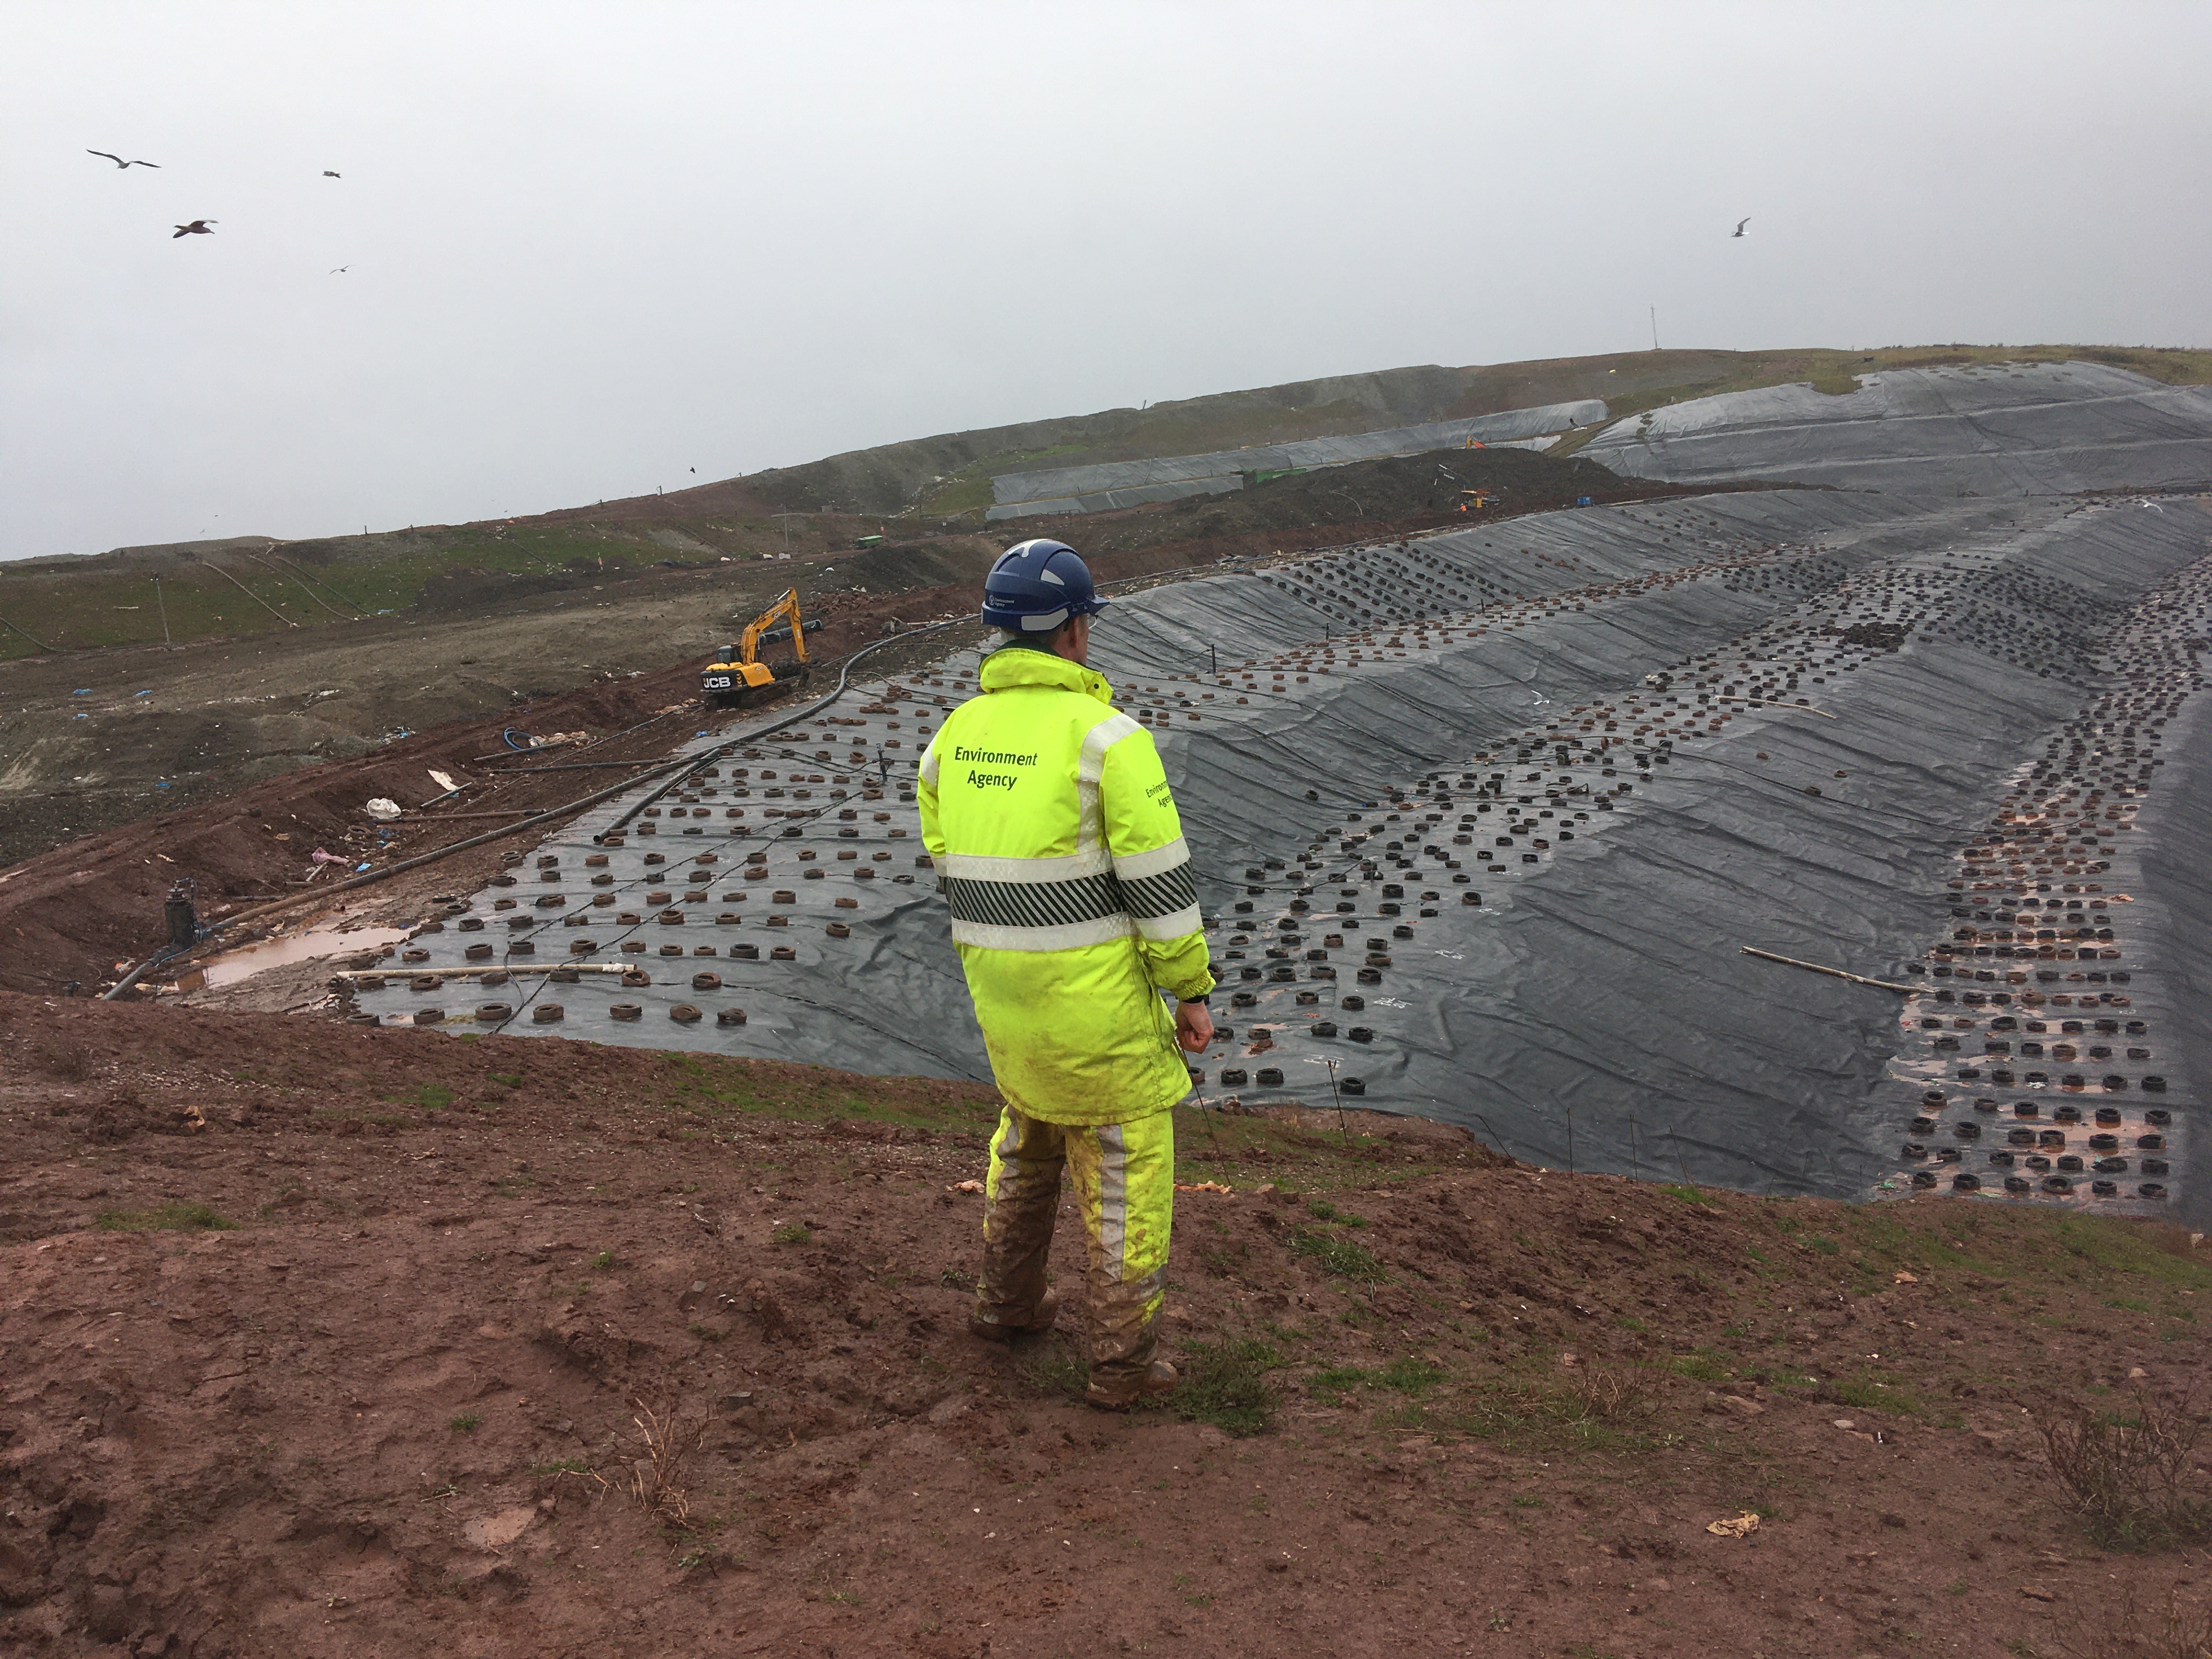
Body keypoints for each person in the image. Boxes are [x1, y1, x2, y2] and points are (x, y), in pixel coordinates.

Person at [917, 538, 1215, 1408]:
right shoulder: (1108, 741)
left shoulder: (952, 738)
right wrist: (1189, 991)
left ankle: (1006, 1308)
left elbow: (948, 854)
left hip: (1005, 1004)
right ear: (1076, 632)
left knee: (1027, 1141)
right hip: (1097, 1016)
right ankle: (1123, 1366)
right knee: (1125, 1170)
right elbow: (1161, 886)